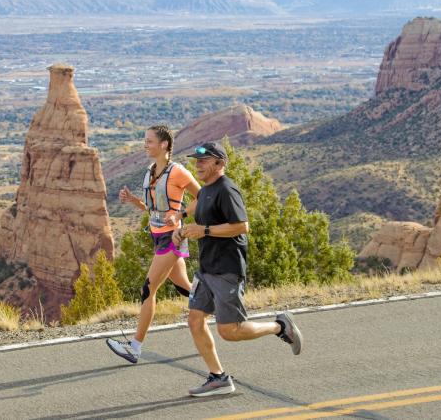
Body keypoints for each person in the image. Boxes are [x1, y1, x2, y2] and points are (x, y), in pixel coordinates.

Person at [173, 141, 303, 397]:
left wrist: (205, 231)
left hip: (226, 269)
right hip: (207, 269)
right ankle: (218, 378)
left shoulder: (226, 189)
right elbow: (198, 216)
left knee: (230, 332)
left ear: (220, 163)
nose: (198, 164)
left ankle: (279, 326)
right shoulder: (206, 191)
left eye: (204, 160)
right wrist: (182, 230)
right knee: (195, 320)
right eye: (196, 160)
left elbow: (242, 226)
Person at [106, 125, 201, 364]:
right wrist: (133, 201)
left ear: (164, 145)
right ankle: (226, 312)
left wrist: (180, 216)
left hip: (172, 237)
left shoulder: (178, 171)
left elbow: (203, 197)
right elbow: (153, 208)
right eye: (145, 140)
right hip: (157, 235)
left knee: (148, 289)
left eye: (149, 141)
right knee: (185, 289)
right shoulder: (151, 171)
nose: (145, 145)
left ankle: (134, 347)